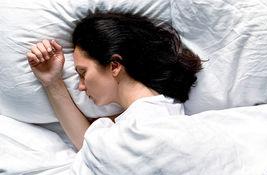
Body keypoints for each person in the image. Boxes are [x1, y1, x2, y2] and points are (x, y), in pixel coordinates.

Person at [26, 12, 202, 150]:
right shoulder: (158, 111)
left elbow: (92, 148)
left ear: (114, 66)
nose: (80, 87)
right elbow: (89, 145)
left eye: (83, 73)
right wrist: (52, 82)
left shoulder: (144, 125)